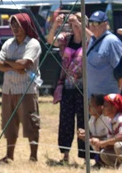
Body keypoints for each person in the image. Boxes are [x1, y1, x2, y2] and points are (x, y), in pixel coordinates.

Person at [0, 13, 42, 163]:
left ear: (26, 25)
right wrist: (16, 65)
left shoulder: (33, 43)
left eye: (18, 24)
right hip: (8, 89)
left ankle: (33, 156)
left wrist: (9, 63)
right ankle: (9, 156)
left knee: (31, 122)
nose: (15, 28)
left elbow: (24, 64)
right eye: (13, 25)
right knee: (9, 124)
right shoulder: (8, 43)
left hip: (26, 89)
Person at [47, 12, 88, 164]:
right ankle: (65, 155)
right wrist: (55, 25)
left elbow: (92, 38)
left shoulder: (88, 41)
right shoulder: (66, 39)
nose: (74, 24)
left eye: (78, 21)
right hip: (67, 86)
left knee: (83, 122)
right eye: (72, 21)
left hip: (84, 88)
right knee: (66, 121)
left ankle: (85, 157)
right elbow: (50, 40)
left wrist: (79, 24)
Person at [86, 11, 122, 96]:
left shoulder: (112, 41)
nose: (92, 26)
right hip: (93, 98)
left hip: (108, 98)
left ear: (105, 24)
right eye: (90, 23)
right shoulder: (92, 40)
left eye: (96, 23)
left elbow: (121, 70)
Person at [77, 94, 109, 167]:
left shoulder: (107, 119)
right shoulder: (92, 119)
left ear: (101, 107)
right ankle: (100, 161)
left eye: (91, 106)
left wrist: (89, 137)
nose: (88, 108)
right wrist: (85, 134)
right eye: (88, 105)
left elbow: (111, 138)